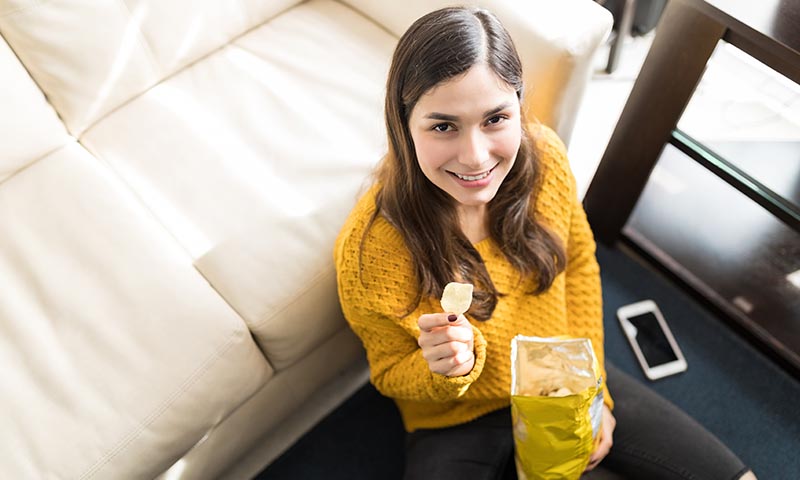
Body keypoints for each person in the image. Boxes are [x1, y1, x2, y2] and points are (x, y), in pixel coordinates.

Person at [334, 6, 756, 480]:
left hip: (560, 369)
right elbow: (389, 373)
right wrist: (443, 369)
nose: (475, 158)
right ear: (404, 126)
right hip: (459, 418)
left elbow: (578, 264)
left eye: (495, 118)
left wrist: (593, 391)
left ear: (518, 105)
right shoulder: (371, 249)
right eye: (443, 126)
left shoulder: (546, 161)